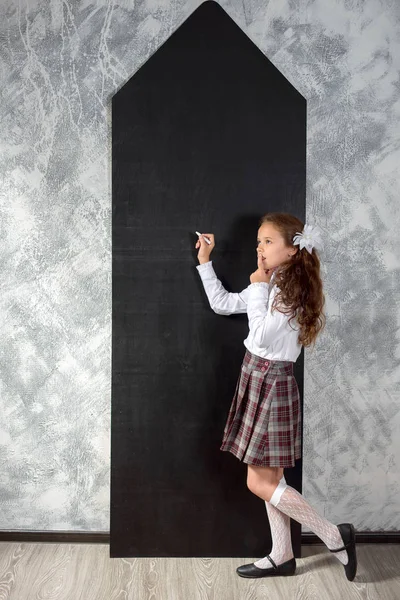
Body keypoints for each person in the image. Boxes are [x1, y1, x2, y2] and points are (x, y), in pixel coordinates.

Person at [194, 212, 357, 581]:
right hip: (256, 377)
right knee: (273, 479)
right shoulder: (271, 284)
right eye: (258, 242)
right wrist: (206, 262)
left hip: (273, 383)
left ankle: (334, 535)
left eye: (268, 242)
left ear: (292, 249)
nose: (260, 249)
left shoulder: (290, 292)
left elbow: (263, 336)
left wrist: (257, 286)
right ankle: (282, 555)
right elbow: (223, 304)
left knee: (259, 482)